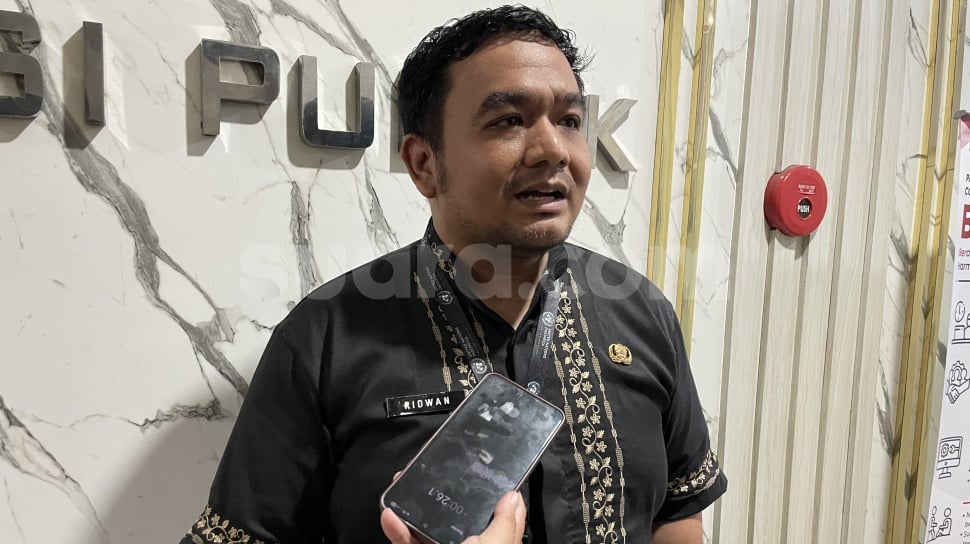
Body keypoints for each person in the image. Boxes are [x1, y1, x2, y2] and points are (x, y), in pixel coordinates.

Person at [179, 5, 726, 544]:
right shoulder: (324, 339)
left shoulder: (641, 313)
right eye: (508, 120)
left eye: (569, 120)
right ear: (424, 164)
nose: (553, 149)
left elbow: (678, 513)